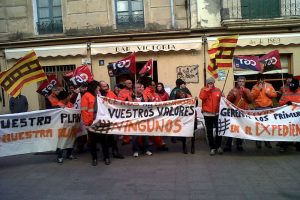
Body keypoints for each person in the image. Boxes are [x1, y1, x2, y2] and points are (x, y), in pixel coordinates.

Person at [81, 80, 110, 166]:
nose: (99, 88)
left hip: (101, 121)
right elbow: (84, 111)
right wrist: (87, 123)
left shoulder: (99, 95)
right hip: (91, 123)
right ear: (93, 87)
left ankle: (106, 157)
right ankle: (94, 158)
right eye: (98, 87)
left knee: (104, 141)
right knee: (92, 142)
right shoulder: (86, 96)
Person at [225, 76, 253, 152]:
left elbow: (250, 100)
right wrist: (232, 95)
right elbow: (228, 101)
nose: (241, 83)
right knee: (232, 128)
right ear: (237, 82)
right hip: (234, 112)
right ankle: (228, 145)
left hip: (243, 112)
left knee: (240, 129)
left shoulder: (247, 90)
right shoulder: (233, 90)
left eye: (242, 81)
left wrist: (246, 92)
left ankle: (239, 144)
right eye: (239, 81)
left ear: (244, 82)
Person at [99, 81, 124, 159]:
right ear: (99, 87)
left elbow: (117, 102)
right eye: (103, 86)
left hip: (111, 118)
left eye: (106, 86)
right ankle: (106, 156)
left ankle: (115, 152)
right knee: (104, 139)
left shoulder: (111, 93)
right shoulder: (98, 95)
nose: (106, 88)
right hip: (102, 119)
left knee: (113, 137)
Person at [251, 73, 277, 149]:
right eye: (259, 79)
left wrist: (269, 93)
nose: (260, 80)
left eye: (262, 79)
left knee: (267, 126)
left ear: (264, 79)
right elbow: (252, 97)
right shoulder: (254, 87)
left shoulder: (269, 85)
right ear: (257, 80)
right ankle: (258, 142)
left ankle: (267, 142)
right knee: (258, 126)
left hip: (268, 108)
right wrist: (258, 89)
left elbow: (275, 94)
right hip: (258, 108)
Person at [199, 77, 223, 156]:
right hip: (207, 114)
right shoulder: (203, 90)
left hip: (216, 114)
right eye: (209, 83)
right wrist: (208, 90)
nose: (210, 84)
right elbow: (202, 97)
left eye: (211, 83)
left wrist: (222, 96)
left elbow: (222, 100)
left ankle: (218, 146)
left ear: (213, 83)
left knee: (219, 131)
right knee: (209, 132)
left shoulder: (218, 90)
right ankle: (212, 148)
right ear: (207, 83)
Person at [278, 78, 300, 152]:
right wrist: (286, 103)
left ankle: (298, 145)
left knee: (298, 131)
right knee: (286, 131)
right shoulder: (286, 92)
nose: (291, 88)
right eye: (290, 86)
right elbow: (280, 103)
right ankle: (284, 146)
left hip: (298, 118)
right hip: (288, 117)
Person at [132, 82, 152, 157]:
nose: (140, 88)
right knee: (135, 136)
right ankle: (135, 150)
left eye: (140, 87)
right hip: (134, 119)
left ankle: (146, 149)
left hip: (144, 119)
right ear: (134, 89)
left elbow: (152, 105)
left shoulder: (146, 96)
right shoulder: (131, 97)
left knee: (145, 135)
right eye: (138, 87)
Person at [56, 91, 74, 164]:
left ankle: (69, 154)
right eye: (68, 96)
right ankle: (60, 156)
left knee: (70, 140)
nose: (69, 97)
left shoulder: (70, 104)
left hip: (70, 126)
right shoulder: (57, 106)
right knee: (61, 142)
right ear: (65, 97)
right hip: (62, 128)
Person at [118, 79, 134, 144]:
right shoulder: (122, 91)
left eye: (131, 83)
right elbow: (119, 100)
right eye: (129, 83)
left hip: (134, 110)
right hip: (126, 111)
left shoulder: (134, 90)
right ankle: (126, 140)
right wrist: (126, 99)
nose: (130, 84)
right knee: (126, 125)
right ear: (125, 84)